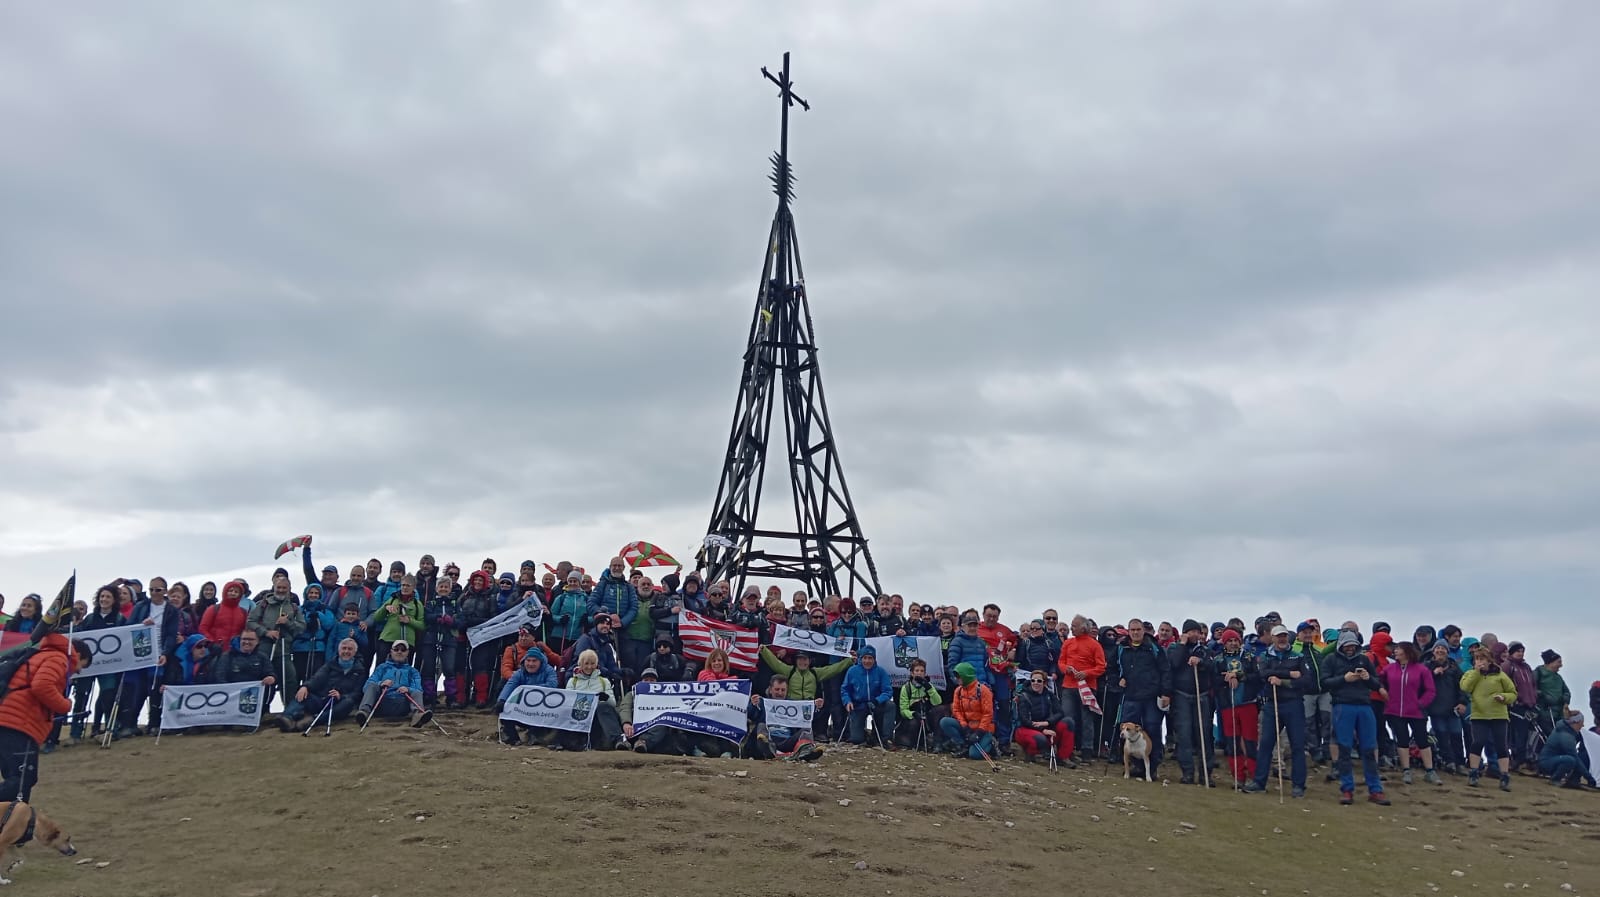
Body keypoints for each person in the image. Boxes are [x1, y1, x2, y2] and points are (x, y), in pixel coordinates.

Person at [0, 633, 89, 801]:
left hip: (10, 720)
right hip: (19, 725)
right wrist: (65, 704)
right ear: (78, 655)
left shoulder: (43, 655)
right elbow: (42, 686)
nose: (78, 671)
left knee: (19, 781)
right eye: (82, 666)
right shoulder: (59, 658)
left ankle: (15, 823)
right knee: (23, 780)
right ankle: (16, 821)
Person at [1243, 625, 1311, 796]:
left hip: (1293, 703)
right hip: (1272, 704)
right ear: (1272, 638)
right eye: (1278, 636)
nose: (1282, 639)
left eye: (1284, 636)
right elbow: (1264, 674)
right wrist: (1290, 673)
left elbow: (1306, 680)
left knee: (1297, 745)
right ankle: (1259, 782)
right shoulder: (1265, 655)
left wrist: (1283, 681)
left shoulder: (1298, 656)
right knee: (1266, 744)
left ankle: (1298, 786)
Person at [1323, 630, 1390, 805]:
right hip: (1342, 705)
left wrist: (1368, 678)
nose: (1350, 649)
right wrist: (1344, 679)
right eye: (1347, 645)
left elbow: (1376, 683)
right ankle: (1347, 789)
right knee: (1344, 748)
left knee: (1369, 748)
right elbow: (1324, 682)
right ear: (1341, 646)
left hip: (1364, 705)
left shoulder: (1364, 660)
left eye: (1353, 645)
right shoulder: (1331, 660)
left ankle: (1375, 790)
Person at [1111, 618, 1169, 777]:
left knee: (1152, 729)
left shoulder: (1153, 647)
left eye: (1138, 630)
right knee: (1127, 731)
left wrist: (1166, 693)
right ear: (1128, 631)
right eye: (1132, 630)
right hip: (1130, 695)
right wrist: (1119, 680)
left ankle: (1153, 766)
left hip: (1151, 695)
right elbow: (1112, 668)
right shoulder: (1121, 648)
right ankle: (1135, 766)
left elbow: (1165, 670)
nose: (1135, 633)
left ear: (1143, 631)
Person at [1376, 642, 1440, 785]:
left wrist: (1420, 703)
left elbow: (1430, 690)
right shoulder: (1389, 669)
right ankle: (1406, 770)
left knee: (1422, 740)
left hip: (1416, 712)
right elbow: (1379, 681)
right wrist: (1382, 690)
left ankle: (1430, 771)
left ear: (1407, 651)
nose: (1395, 651)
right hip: (1395, 711)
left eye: (1398, 649)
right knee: (1402, 740)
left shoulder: (1421, 670)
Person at [274, 638, 367, 732]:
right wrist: (306, 686)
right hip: (322, 698)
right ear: (339, 650)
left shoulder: (360, 670)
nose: (346, 651)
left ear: (355, 652)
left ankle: (312, 720)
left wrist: (341, 696)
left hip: (339, 704)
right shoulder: (330, 665)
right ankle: (287, 718)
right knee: (303, 693)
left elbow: (357, 693)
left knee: (348, 702)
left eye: (350, 649)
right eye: (344, 648)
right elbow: (317, 678)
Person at [246, 569, 306, 707]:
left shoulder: (293, 607)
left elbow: (302, 627)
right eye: (278, 587)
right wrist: (266, 632)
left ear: (289, 589)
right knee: (264, 678)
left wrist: (288, 623)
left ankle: (289, 709)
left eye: (284, 588)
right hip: (264, 648)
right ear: (274, 587)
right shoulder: (263, 603)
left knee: (289, 679)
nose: (281, 590)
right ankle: (260, 709)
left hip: (284, 648)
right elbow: (250, 621)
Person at [1459, 649, 1518, 791]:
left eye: (1482, 659)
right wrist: (1476, 672)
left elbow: (1513, 692)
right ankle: (1473, 772)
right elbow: (1465, 687)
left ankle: (1504, 775)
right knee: (1478, 742)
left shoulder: (1500, 675)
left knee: (1501, 745)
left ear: (1489, 660)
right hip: (1479, 715)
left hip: (1499, 715)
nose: (1479, 662)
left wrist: (1504, 697)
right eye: (1477, 659)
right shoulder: (1470, 674)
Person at [1167, 619, 1216, 785]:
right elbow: (1173, 663)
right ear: (1185, 633)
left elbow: (1212, 665)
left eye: (1198, 632)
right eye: (1192, 631)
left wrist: (1200, 661)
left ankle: (1205, 774)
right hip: (1182, 695)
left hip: (1201, 696)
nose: (1196, 634)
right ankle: (1187, 772)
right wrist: (1182, 645)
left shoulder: (1204, 649)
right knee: (1184, 736)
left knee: (1204, 735)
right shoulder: (1175, 648)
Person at [1058, 615, 1107, 762]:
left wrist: (1086, 673)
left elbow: (1101, 667)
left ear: (1083, 628)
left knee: (1087, 720)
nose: (1071, 628)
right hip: (1068, 685)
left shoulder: (1095, 645)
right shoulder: (1068, 643)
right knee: (1068, 718)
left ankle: (1087, 751)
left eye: (1074, 626)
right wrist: (1067, 669)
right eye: (1072, 625)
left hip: (1087, 687)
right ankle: (1068, 749)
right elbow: (1060, 662)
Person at [355, 642, 431, 729]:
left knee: (417, 692)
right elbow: (366, 687)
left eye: (403, 650)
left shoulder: (413, 671)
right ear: (391, 651)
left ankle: (418, 716)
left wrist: (408, 689)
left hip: (403, 704)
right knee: (372, 685)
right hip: (382, 702)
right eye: (396, 649)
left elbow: (418, 689)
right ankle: (364, 713)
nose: (399, 652)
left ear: (407, 653)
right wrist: (381, 684)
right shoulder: (382, 668)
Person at [562, 649, 623, 751]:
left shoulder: (604, 681)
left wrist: (606, 698)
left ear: (597, 664)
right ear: (580, 664)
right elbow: (567, 702)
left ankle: (618, 740)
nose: (589, 667)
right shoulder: (573, 682)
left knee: (604, 706)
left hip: (598, 717)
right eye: (586, 663)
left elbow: (613, 704)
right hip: (579, 717)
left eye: (592, 663)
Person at [495, 649, 559, 746]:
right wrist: (501, 700)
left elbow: (553, 684)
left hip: (542, 708)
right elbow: (510, 685)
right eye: (528, 660)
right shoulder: (520, 672)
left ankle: (535, 735)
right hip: (523, 709)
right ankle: (511, 737)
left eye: (534, 661)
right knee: (505, 708)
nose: (530, 664)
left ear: (540, 662)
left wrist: (530, 690)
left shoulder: (548, 670)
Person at [1013, 669, 1073, 765]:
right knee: (1040, 739)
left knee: (1068, 722)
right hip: (1026, 728)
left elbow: (1060, 713)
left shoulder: (1050, 695)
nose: (1035, 683)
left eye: (1039, 681)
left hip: (1046, 726)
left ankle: (1063, 757)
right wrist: (1043, 729)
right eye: (1033, 680)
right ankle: (1031, 753)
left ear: (1044, 683)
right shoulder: (1024, 696)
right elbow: (1024, 720)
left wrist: (1048, 722)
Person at [458, 570, 499, 709]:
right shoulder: (464, 596)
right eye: (475, 580)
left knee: (480, 666)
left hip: (481, 637)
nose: (477, 583)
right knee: (462, 666)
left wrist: (477, 622)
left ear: (485, 582)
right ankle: (461, 697)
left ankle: (480, 696)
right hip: (464, 635)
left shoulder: (490, 598)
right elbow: (457, 612)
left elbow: (494, 618)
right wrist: (462, 623)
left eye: (480, 580)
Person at [1425, 641, 1467, 775]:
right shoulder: (1427, 667)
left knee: (1456, 735)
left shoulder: (1454, 666)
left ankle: (1460, 763)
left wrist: (1462, 702)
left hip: (1452, 709)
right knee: (1441, 735)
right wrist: (1432, 674)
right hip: (1435, 708)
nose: (1440, 651)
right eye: (1437, 648)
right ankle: (1448, 762)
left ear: (1447, 652)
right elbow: (1420, 684)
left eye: (1443, 648)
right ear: (1433, 651)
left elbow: (1462, 686)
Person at [940, 662, 995, 761]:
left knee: (975, 755)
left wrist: (979, 732)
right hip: (968, 726)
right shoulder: (958, 691)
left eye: (959, 676)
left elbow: (988, 714)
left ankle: (991, 744)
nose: (956, 679)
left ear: (966, 676)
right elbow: (956, 710)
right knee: (945, 722)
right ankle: (962, 745)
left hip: (983, 728)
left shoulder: (983, 690)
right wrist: (965, 726)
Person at [841, 645, 894, 748]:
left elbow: (888, 691)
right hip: (858, 705)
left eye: (870, 658)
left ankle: (885, 738)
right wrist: (847, 701)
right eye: (865, 658)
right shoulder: (852, 671)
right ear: (861, 659)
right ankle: (865, 734)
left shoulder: (881, 671)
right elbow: (845, 689)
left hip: (875, 704)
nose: (867, 661)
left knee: (890, 706)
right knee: (856, 739)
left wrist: (877, 700)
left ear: (874, 659)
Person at [368, 575, 425, 662]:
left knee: (405, 671)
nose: (405, 588)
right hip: (387, 639)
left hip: (407, 642)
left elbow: (422, 625)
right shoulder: (392, 600)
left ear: (413, 587)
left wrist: (409, 621)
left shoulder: (417, 604)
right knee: (381, 667)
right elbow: (376, 617)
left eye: (408, 585)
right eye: (403, 585)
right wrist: (386, 608)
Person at [894, 658, 945, 751]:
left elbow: (938, 702)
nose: (919, 673)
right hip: (914, 717)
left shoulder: (928, 686)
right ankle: (916, 742)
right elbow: (903, 710)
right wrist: (912, 714)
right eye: (916, 671)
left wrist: (929, 687)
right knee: (913, 722)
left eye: (922, 671)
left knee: (941, 710)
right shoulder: (906, 688)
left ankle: (937, 743)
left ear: (925, 673)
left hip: (927, 716)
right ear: (912, 673)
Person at [1538, 711, 1596, 788]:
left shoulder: (1566, 730)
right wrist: (1589, 778)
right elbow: (1576, 758)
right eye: (1581, 723)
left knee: (1572, 759)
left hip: (1549, 760)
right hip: (1547, 763)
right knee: (1570, 760)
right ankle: (1555, 780)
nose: (1582, 725)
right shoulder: (1566, 736)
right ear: (1575, 722)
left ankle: (1572, 779)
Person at [1533, 649, 1572, 743]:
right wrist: (1543, 696)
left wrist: (1565, 700)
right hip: (1545, 713)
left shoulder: (1558, 677)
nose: (1561, 665)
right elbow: (1531, 688)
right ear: (1550, 662)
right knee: (1549, 738)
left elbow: (1566, 691)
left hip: (1559, 714)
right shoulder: (1538, 673)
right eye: (1559, 662)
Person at [199, 580, 249, 646]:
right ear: (225, 592)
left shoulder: (243, 612)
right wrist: (212, 643)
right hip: (215, 650)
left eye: (236, 592)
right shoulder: (213, 609)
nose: (233, 593)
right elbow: (203, 628)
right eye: (230, 591)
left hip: (235, 650)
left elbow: (245, 630)